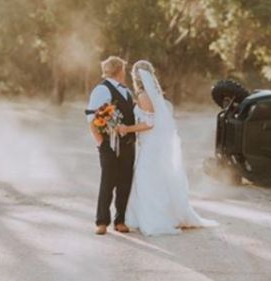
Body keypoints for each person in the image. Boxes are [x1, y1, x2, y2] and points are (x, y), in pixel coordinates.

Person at [117, 60, 218, 236]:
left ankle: (154, 219)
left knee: (145, 180)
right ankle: (165, 215)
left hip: (151, 145)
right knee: (158, 178)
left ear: (136, 77)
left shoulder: (143, 95)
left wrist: (127, 129)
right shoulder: (154, 93)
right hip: (154, 144)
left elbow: (149, 123)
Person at [86, 56, 135, 235]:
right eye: (123, 69)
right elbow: (91, 118)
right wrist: (100, 142)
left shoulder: (126, 91)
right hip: (109, 145)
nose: (125, 72)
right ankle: (101, 221)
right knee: (108, 181)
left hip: (128, 144)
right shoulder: (101, 90)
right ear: (119, 70)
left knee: (125, 182)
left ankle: (120, 220)